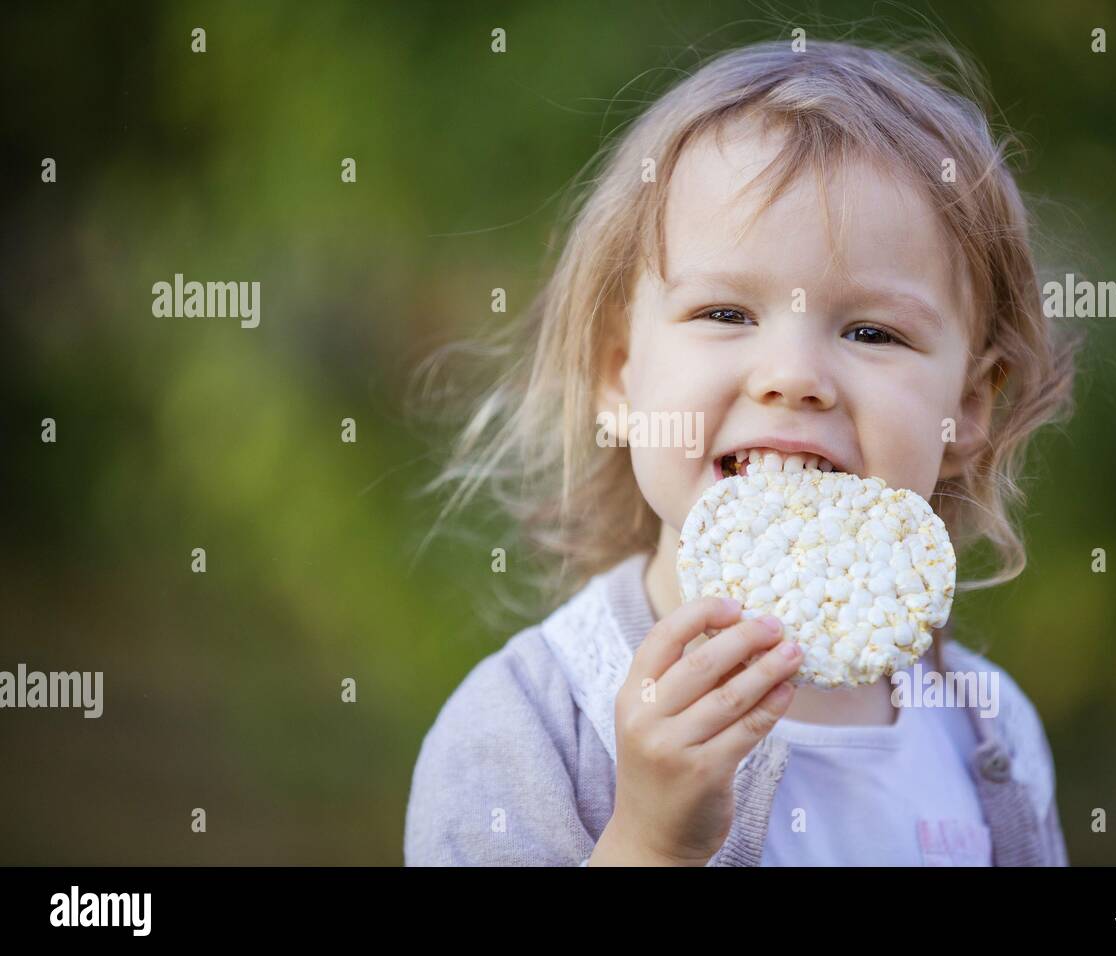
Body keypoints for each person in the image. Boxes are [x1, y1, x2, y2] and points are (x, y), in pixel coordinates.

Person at [404, 36, 1081, 866]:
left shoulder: (989, 731)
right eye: (726, 314)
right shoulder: (526, 728)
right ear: (620, 374)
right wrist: (651, 842)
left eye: (872, 331)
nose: (794, 377)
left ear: (968, 408)